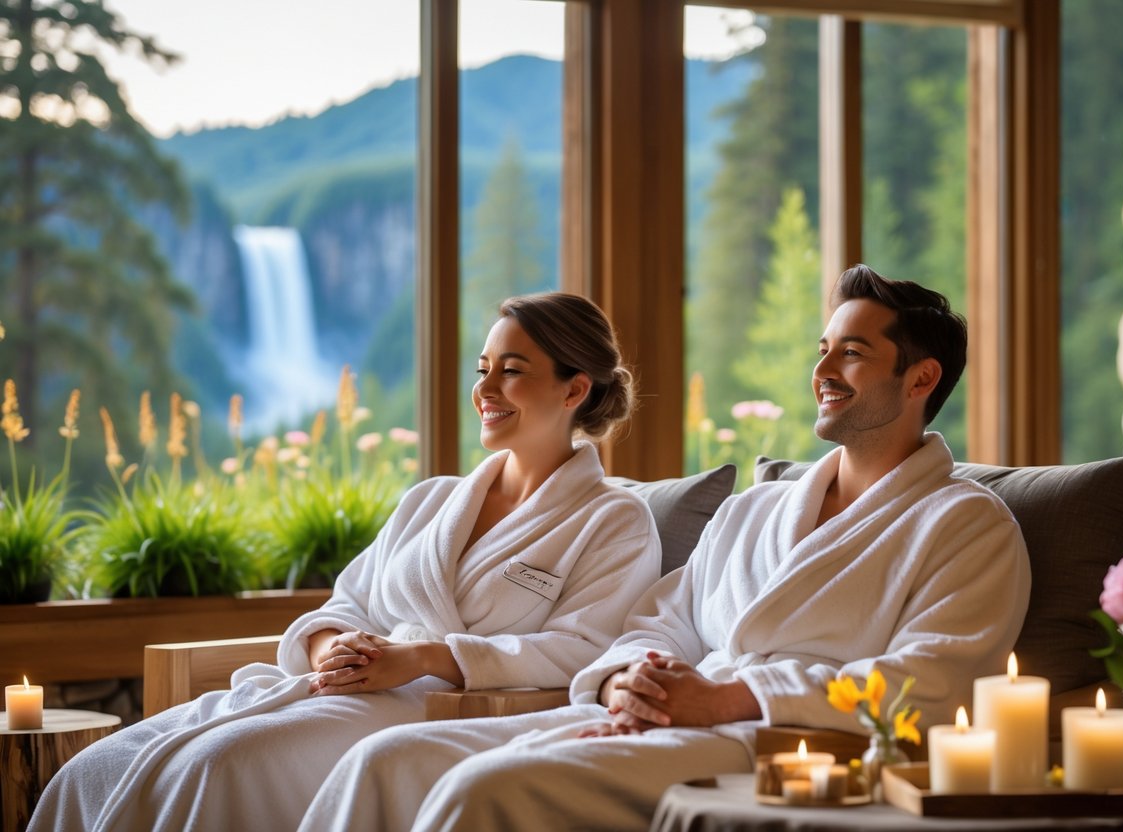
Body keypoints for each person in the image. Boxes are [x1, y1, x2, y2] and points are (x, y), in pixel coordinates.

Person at [298, 265, 1032, 831]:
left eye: (852, 354)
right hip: (668, 715)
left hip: (786, 743)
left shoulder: (964, 524)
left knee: (479, 788)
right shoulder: (757, 508)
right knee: (388, 759)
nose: (822, 372)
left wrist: (725, 698)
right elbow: (659, 620)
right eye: (821, 351)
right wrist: (627, 679)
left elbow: (930, 679)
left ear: (921, 378)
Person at [29, 292, 662, 832]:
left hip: (438, 713)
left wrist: (419, 659)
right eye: (483, 367)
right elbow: (345, 603)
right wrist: (331, 648)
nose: (485, 389)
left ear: (575, 388)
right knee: (94, 768)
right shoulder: (432, 500)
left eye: (512, 371)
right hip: (335, 689)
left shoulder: (612, 521)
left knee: (221, 764)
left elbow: (586, 651)